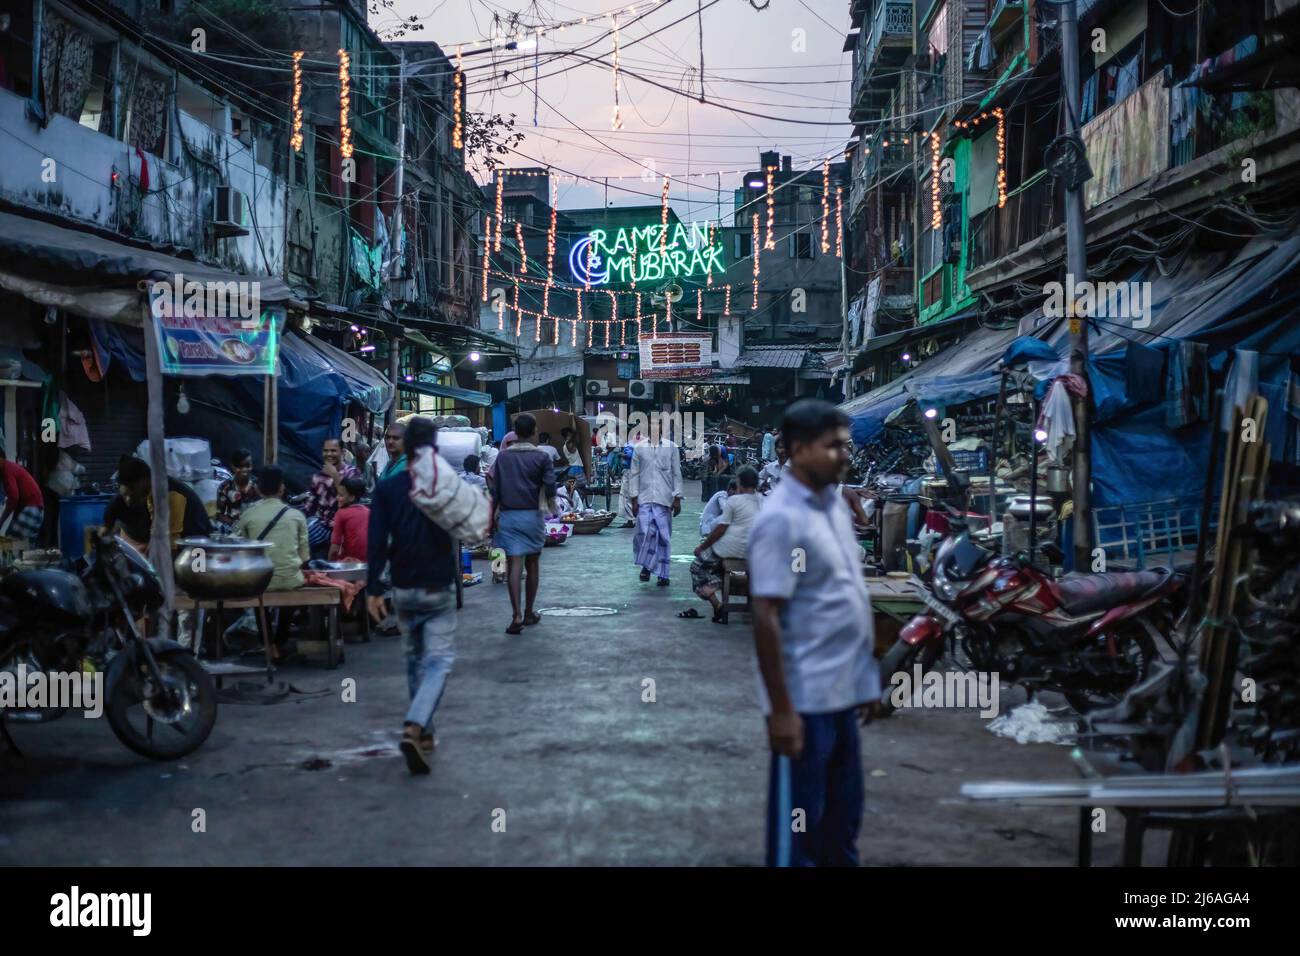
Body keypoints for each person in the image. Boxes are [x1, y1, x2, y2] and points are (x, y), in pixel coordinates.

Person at [746, 400, 879, 867]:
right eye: (833, 446)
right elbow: (766, 617)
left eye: (846, 445)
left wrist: (865, 677)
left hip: (841, 692)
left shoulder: (833, 505)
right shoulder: (782, 519)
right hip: (803, 701)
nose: (845, 455)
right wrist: (781, 710)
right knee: (797, 833)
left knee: (842, 825)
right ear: (798, 450)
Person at [366, 417, 458, 775]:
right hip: (437, 585)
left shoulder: (387, 489)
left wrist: (373, 588)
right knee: (438, 662)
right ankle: (415, 724)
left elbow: (376, 543)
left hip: (402, 586)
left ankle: (425, 733)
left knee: (413, 660)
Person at [490, 413, 557, 635]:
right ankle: (529, 612)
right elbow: (549, 486)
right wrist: (552, 504)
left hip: (509, 516)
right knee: (533, 564)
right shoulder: (541, 457)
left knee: (514, 564)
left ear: (515, 432)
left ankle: (516, 614)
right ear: (534, 431)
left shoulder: (503, 457)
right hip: (533, 515)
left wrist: (493, 515)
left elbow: (495, 490)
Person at [235, 467, 310, 659]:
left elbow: (237, 547)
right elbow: (304, 558)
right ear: (282, 489)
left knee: (259, 598)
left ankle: (268, 644)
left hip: (258, 579)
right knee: (290, 585)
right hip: (288, 579)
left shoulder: (248, 515)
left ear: (258, 489)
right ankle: (281, 640)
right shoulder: (296, 516)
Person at [691, 466, 761, 622]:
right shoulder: (763, 500)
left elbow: (720, 529)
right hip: (753, 551)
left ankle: (714, 589)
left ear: (740, 483)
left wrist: (702, 547)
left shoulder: (733, 501)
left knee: (696, 567)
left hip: (729, 549)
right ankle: (718, 602)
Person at [104, 456, 212, 547]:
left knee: (195, 569)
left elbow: (170, 541)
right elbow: (106, 527)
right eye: (124, 495)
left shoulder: (170, 494)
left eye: (131, 491)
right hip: (166, 544)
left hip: (196, 546)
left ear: (144, 480)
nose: (127, 500)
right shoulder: (128, 496)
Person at [625, 424, 682, 587]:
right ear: (648, 430)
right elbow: (634, 474)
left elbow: (677, 473)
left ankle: (663, 574)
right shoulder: (639, 448)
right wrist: (634, 499)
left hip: (664, 499)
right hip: (644, 498)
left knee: (663, 537)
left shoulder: (672, 448)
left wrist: (677, 497)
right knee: (644, 534)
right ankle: (647, 566)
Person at [304, 437, 360, 556]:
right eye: (326, 450)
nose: (329, 454)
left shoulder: (352, 473)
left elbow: (350, 499)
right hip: (323, 526)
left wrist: (334, 475)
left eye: (333, 451)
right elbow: (310, 507)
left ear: (342, 452)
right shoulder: (318, 476)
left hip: (346, 527)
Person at [0, 455, 44, 543]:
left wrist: (2, 520)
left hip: (32, 509)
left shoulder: (7, 471)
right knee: (22, 545)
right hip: (34, 509)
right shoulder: (9, 467)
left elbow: (14, 498)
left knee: (11, 543)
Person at [215, 448, 258, 533]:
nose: (244, 469)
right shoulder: (225, 487)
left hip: (255, 529)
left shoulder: (258, 486)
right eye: (240, 466)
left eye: (247, 466)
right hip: (233, 530)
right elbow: (219, 514)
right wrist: (236, 525)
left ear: (252, 466)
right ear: (233, 467)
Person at [329, 475, 369, 562]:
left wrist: (329, 566)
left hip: (350, 564)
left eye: (341, 495)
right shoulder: (369, 512)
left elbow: (334, 549)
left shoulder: (341, 513)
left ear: (352, 498)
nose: (337, 498)